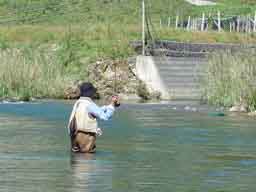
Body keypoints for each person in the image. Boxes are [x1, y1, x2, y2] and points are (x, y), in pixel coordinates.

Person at [67, 82, 120, 153]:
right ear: (90, 93)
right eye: (93, 92)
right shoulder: (90, 105)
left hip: (74, 136)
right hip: (86, 137)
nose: (94, 94)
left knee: (77, 159)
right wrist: (113, 105)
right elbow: (105, 117)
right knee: (86, 160)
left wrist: (107, 106)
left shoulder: (78, 103)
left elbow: (91, 113)